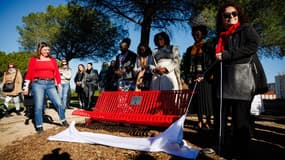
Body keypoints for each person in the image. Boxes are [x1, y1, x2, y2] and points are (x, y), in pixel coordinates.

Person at [214, 3, 266, 159]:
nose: (230, 17)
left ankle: (240, 152)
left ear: (238, 15)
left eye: (233, 14)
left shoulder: (246, 29)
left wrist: (229, 54)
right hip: (225, 79)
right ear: (222, 18)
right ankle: (221, 146)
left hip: (242, 79)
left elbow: (254, 45)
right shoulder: (222, 35)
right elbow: (218, 58)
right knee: (221, 116)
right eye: (226, 15)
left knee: (240, 119)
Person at [23, 42, 68, 133]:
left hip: (51, 84)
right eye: (45, 50)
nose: (47, 51)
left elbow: (56, 73)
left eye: (48, 50)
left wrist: (59, 84)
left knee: (59, 103)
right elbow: (29, 73)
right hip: (38, 84)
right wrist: (26, 87)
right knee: (39, 106)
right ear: (40, 49)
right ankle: (39, 126)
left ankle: (64, 121)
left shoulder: (52, 60)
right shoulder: (34, 59)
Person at [182, 22, 215, 129]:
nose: (196, 36)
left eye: (198, 34)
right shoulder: (189, 49)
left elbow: (213, 62)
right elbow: (186, 65)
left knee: (207, 99)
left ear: (203, 34)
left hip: (206, 77)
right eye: (194, 34)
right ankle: (200, 120)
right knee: (198, 100)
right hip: (193, 77)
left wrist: (210, 74)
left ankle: (209, 120)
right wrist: (188, 78)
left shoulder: (209, 46)